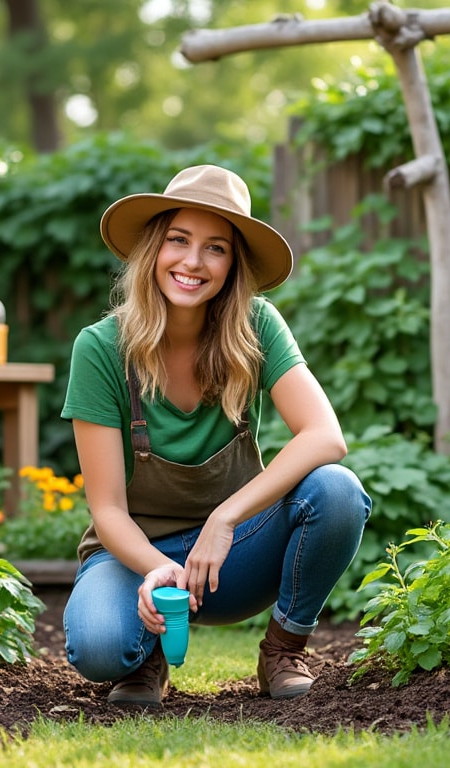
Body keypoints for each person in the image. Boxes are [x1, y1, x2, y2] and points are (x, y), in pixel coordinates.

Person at [60, 164, 372, 708]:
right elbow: (107, 510)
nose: (193, 262)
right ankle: (144, 656)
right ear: (154, 248)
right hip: (137, 556)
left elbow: (325, 435)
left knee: (337, 490)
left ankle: (283, 648)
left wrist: (225, 518)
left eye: (216, 248)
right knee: (100, 648)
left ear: (233, 266)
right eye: (178, 240)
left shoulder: (257, 327)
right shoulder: (100, 349)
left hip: (233, 556)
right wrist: (154, 567)